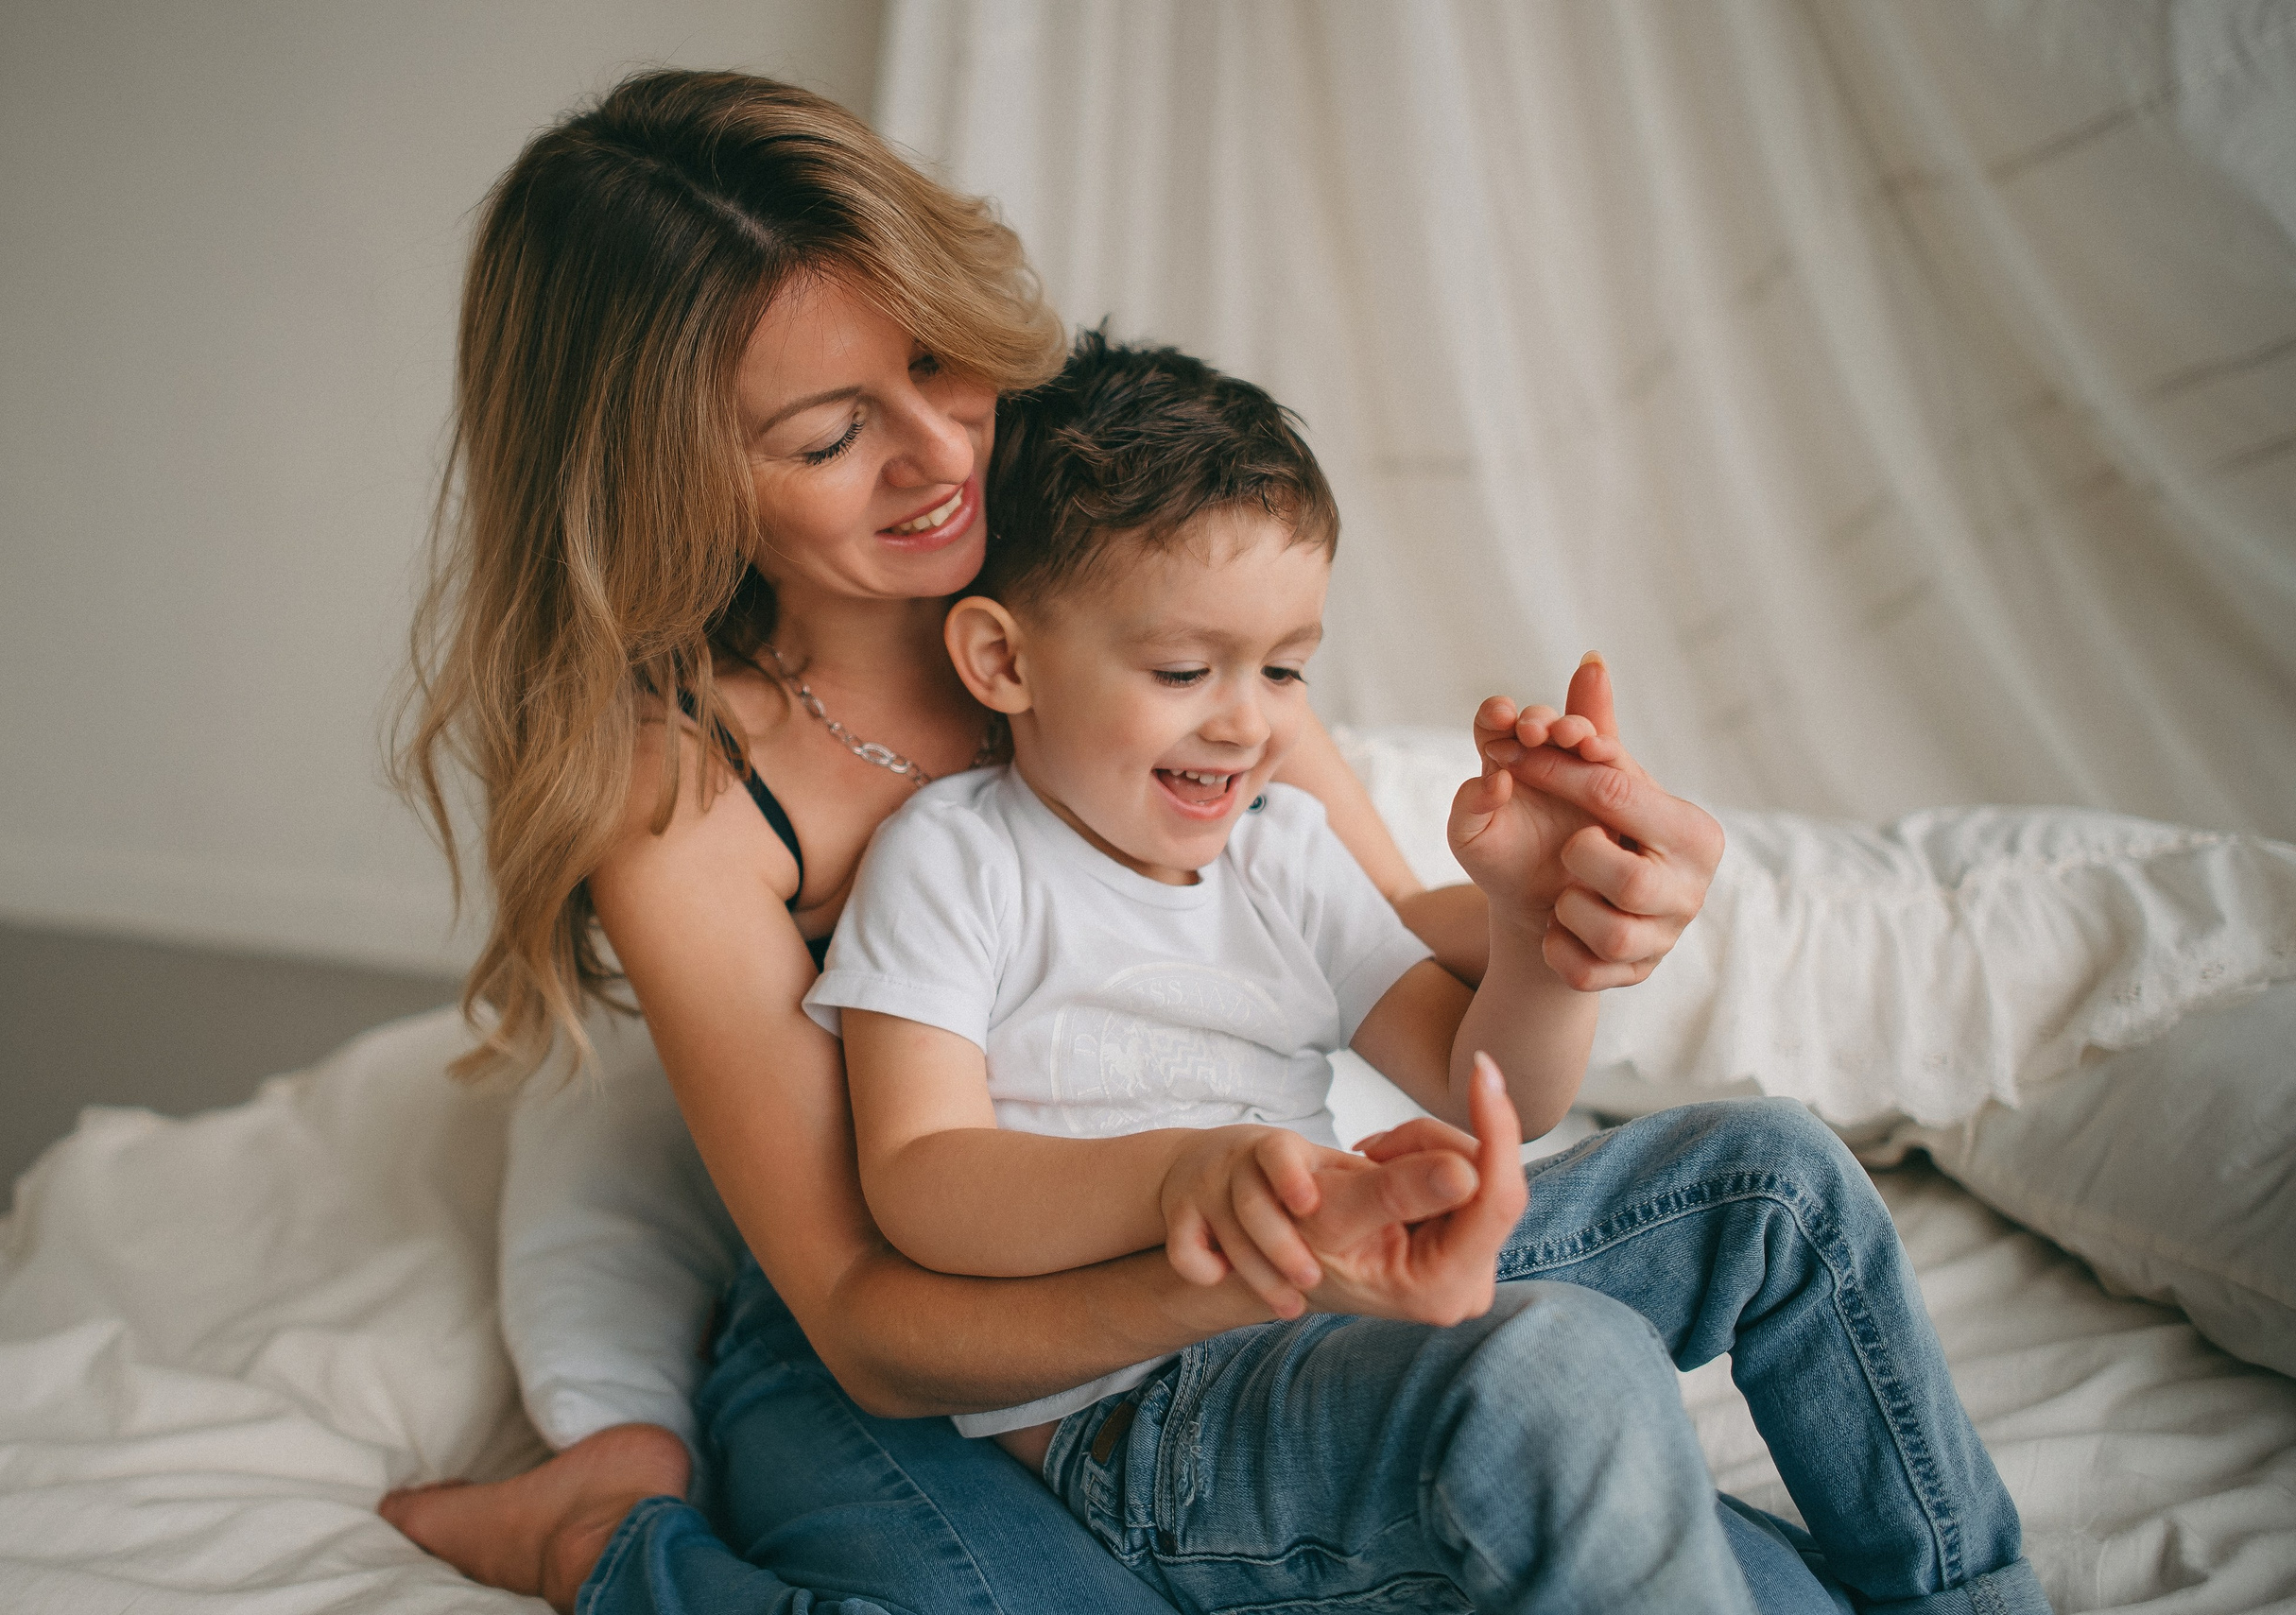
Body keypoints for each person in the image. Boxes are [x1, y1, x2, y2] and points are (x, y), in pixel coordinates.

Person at [373, 68, 2004, 1614]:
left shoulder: (1140, 592)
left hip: (1287, 1255)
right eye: (827, 436)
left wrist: (1557, 919)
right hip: (936, 1347)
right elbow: (876, 1309)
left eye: (943, 360)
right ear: (671, 483)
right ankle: (608, 1530)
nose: (944, 454)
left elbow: (1418, 974)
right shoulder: (693, 798)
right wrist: (1236, 1254)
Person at [806, 332, 2053, 1614]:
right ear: (1003, 660)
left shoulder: (1279, 848)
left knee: (1779, 1175)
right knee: (1560, 1371)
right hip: (1160, 1410)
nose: (1249, 722)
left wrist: (1534, 934)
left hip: (1362, 1295)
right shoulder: (955, 861)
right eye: (1186, 670)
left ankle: (1969, 1597)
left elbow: (1488, 1083)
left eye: (1285, 667)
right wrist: (1192, 1178)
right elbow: (922, 1181)